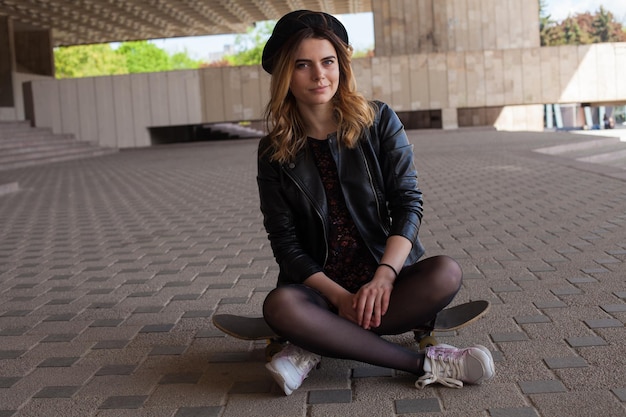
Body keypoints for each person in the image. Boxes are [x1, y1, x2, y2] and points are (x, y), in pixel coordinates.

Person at [256, 10, 494, 396]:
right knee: (281, 307)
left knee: (446, 273)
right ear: (285, 73)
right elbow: (285, 243)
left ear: (341, 65)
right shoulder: (273, 151)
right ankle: (425, 362)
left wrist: (383, 277)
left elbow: (408, 205)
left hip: (385, 282)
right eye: (303, 65)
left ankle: (315, 341)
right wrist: (340, 298)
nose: (319, 76)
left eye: (328, 61)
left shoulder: (378, 120)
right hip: (320, 290)